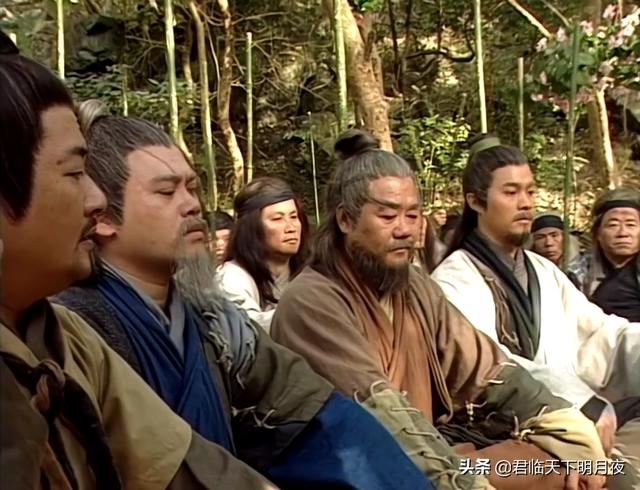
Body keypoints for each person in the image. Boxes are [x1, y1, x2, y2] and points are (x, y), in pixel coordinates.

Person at [52, 100, 430, 490]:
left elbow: (308, 403)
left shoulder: (213, 319)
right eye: (166, 192)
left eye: (192, 188)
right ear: (104, 216)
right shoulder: (77, 326)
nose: (192, 205)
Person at [0, 32, 281, 489]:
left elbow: (181, 465)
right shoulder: (87, 317)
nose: (95, 200)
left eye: (193, 188)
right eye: (75, 173)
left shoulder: (65, 337)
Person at [271, 130, 607, 490]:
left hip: (436, 452)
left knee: (566, 462)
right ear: (346, 220)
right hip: (361, 467)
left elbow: (487, 369)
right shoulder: (311, 301)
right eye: (388, 216)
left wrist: (564, 421)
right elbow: (378, 416)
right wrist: (466, 484)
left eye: (413, 215)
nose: (405, 230)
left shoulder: (415, 286)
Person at [432, 135, 640, 489]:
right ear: (476, 201)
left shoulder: (542, 270)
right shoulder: (453, 279)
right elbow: (494, 365)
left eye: (530, 191)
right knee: (619, 480)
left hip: (568, 426)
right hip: (503, 434)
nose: (526, 203)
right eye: (511, 192)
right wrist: (581, 403)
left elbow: (600, 335)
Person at [217, 177, 308, 333]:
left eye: (294, 217)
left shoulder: (312, 269)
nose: (291, 227)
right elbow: (250, 329)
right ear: (252, 228)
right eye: (277, 219)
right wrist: (311, 310)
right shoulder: (230, 279)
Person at [568, 188, 640, 323]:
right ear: (598, 233)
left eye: (631, 225)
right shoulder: (579, 272)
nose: (623, 233)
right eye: (613, 225)